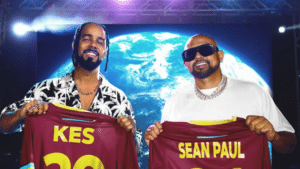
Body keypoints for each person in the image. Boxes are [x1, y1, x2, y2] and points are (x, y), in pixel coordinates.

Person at [0, 22, 142, 153]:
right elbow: (3, 125)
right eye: (86, 39)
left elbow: (136, 152)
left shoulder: (118, 99)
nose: (93, 44)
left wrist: (131, 133)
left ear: (104, 52)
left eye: (100, 42)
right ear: (74, 46)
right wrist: (20, 114)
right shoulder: (45, 90)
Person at [144, 34, 296, 154]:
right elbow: (168, 151)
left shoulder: (253, 91)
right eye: (189, 54)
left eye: (206, 50)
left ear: (220, 56)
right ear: (185, 63)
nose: (198, 57)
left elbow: (290, 145)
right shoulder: (174, 102)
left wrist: (274, 136)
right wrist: (154, 140)